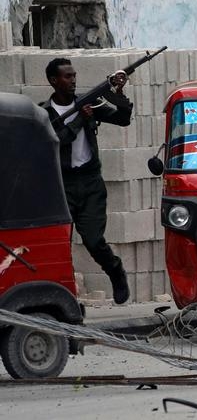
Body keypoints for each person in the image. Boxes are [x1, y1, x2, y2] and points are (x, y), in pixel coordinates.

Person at [41, 58, 132, 304]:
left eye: (74, 76)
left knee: (93, 240)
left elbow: (123, 119)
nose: (73, 80)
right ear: (53, 80)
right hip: (62, 184)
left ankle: (115, 271)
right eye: (67, 77)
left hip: (91, 182)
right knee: (60, 245)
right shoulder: (43, 113)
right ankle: (63, 295)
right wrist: (81, 118)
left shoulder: (88, 103)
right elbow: (58, 140)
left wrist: (118, 93)